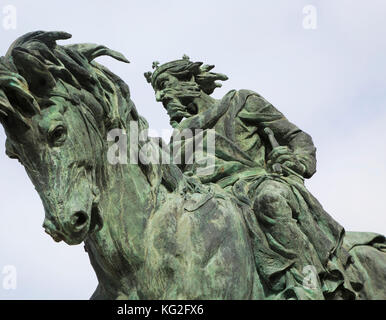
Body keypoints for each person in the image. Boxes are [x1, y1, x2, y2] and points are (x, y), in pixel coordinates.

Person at [145, 55, 358, 299]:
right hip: (206, 196)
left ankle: (306, 284)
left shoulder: (241, 102)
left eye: (165, 85)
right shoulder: (181, 134)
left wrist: (298, 161)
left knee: (270, 201)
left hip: (256, 183)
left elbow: (297, 138)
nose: (160, 97)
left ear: (189, 80)